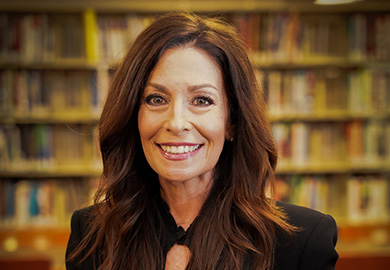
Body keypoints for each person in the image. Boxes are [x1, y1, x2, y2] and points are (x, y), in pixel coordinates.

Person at [66, 12, 338, 270]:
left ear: (232, 122)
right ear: (132, 116)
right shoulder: (90, 234)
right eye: (156, 99)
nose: (176, 123)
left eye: (202, 100)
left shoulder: (302, 242)